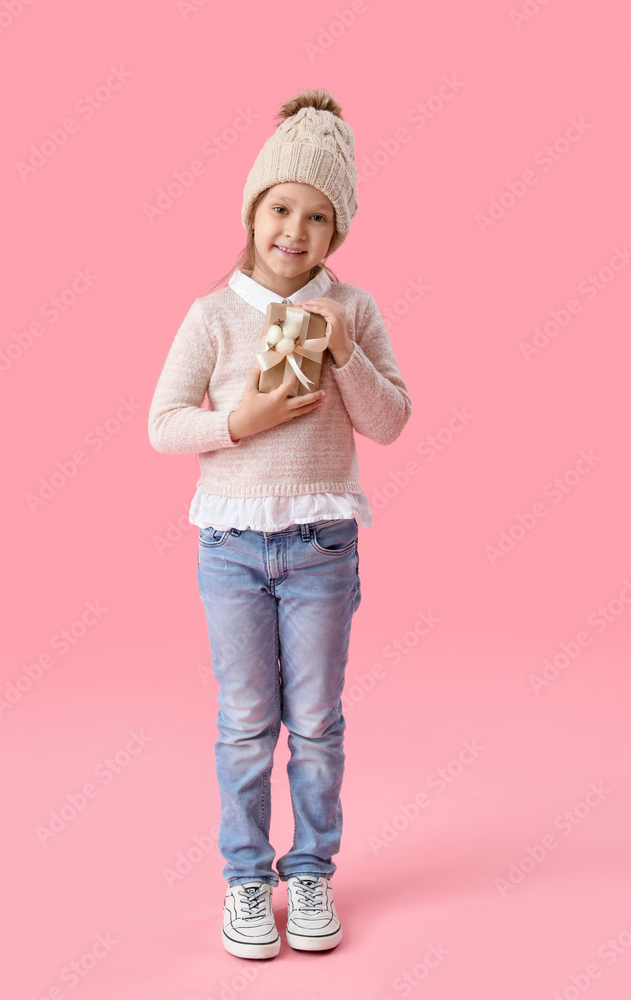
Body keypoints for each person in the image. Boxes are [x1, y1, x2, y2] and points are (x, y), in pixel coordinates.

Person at [148, 89, 412, 960]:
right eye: (280, 208)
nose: (294, 230)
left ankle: (311, 870)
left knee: (318, 719)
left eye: (317, 215)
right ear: (253, 211)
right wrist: (241, 423)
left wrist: (342, 351)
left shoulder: (354, 310)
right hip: (229, 548)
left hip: (321, 546)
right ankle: (246, 881)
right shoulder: (212, 314)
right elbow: (162, 424)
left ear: (337, 232)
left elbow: (390, 420)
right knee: (244, 721)